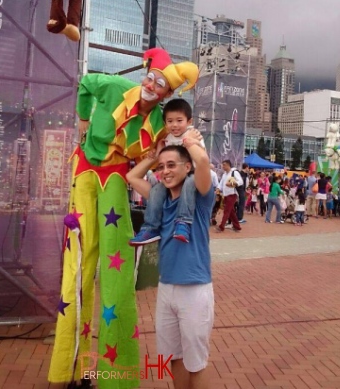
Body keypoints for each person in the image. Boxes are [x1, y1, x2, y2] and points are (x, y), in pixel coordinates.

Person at [48, 48, 199, 389]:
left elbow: (172, 146)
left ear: (166, 93)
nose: (151, 85)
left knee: (116, 269)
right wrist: (84, 118)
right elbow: (85, 83)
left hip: (117, 176)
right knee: (79, 264)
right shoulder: (114, 87)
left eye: (159, 84)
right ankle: (66, 369)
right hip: (85, 169)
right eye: (150, 78)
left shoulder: (160, 122)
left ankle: (116, 376)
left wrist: (184, 146)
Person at [126, 138, 214, 389]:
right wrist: (154, 157)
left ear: (187, 167)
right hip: (166, 288)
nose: (165, 171)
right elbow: (132, 177)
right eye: (161, 167)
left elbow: (204, 161)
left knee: (196, 362)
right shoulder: (160, 201)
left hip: (194, 289)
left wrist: (190, 141)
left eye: (172, 165)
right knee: (173, 357)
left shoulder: (199, 198)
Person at [129, 99, 205, 246]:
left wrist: (190, 143)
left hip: (192, 174)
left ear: (189, 121)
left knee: (190, 182)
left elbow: (202, 159)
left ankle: (183, 222)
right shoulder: (167, 139)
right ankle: (151, 227)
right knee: (157, 188)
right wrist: (156, 152)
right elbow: (164, 159)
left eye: (179, 120)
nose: (174, 125)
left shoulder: (193, 134)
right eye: (170, 121)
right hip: (176, 177)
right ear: (165, 123)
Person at [216, 160, 243, 232]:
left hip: (232, 194)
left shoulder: (234, 172)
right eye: (222, 165)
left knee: (227, 211)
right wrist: (218, 188)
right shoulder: (224, 174)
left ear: (228, 165)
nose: (223, 166)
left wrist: (232, 184)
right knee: (231, 212)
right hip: (226, 195)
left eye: (224, 165)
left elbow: (240, 181)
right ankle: (237, 227)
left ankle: (221, 226)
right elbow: (221, 183)